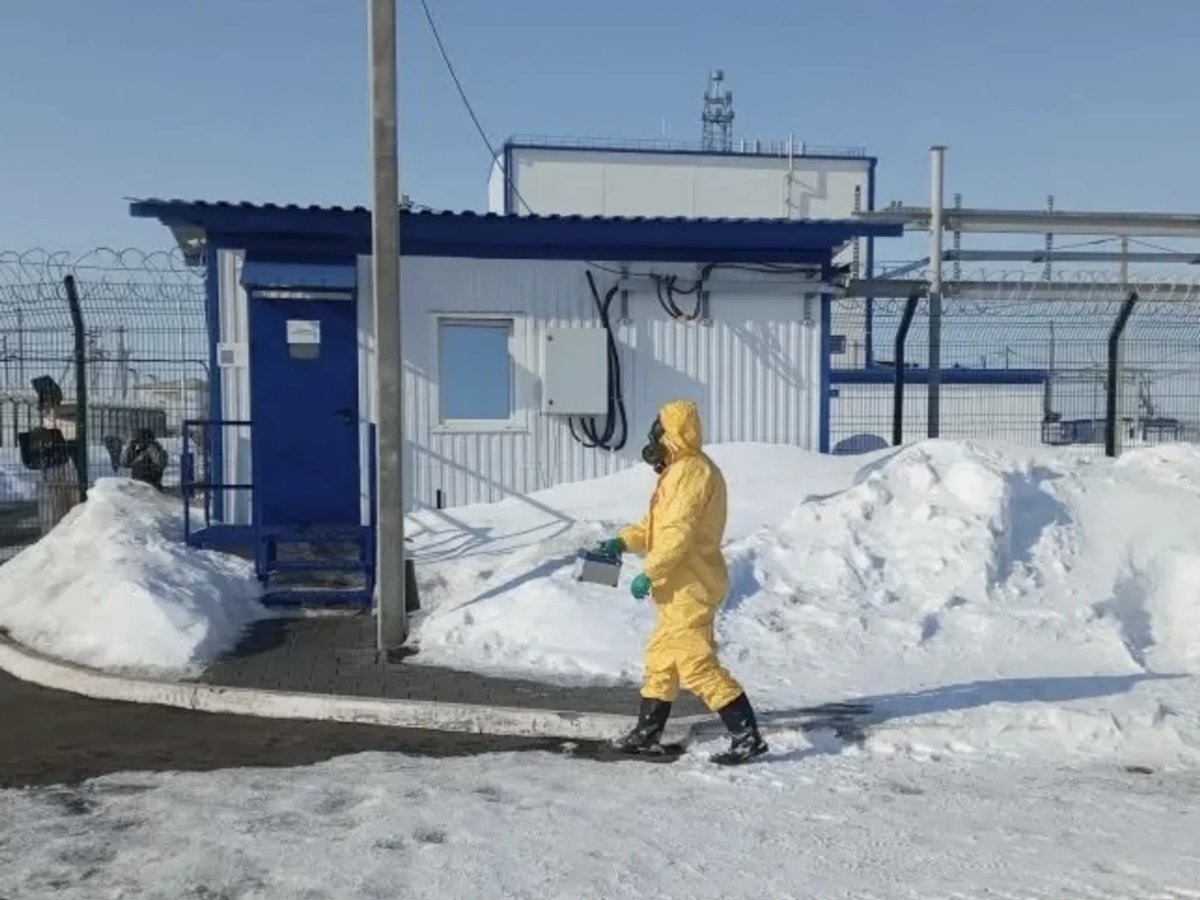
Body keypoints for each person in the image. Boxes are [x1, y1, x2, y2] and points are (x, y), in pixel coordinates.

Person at [597, 398, 768, 765]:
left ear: (673, 433)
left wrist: (650, 572)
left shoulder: (693, 471)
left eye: (658, 432)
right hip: (677, 585)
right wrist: (622, 542)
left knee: (696, 663)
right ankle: (647, 734)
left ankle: (747, 736)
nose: (653, 439)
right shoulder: (676, 471)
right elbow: (655, 527)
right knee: (661, 658)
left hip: (691, 583)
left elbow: (678, 534)